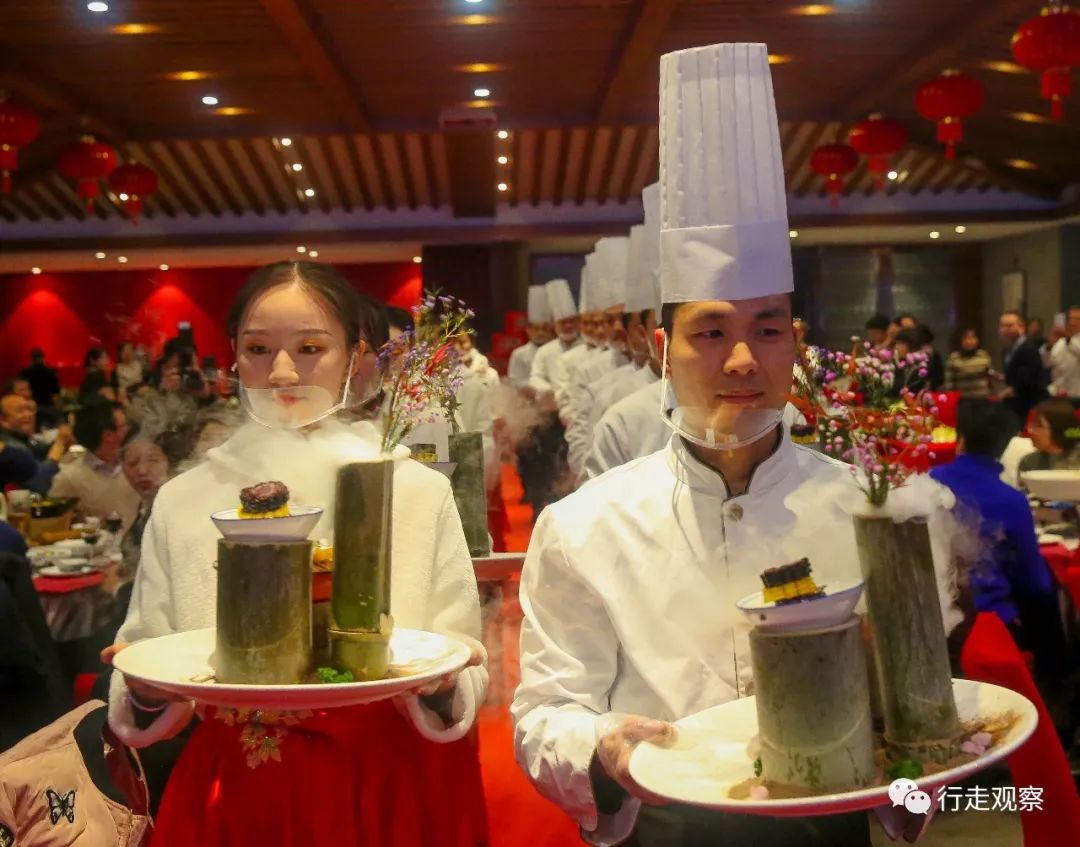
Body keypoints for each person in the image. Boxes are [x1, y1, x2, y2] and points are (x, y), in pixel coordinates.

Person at [513, 43, 960, 846]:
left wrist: (916, 778)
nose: (745, 358)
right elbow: (545, 714)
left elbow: (924, 716)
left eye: (768, 329)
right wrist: (601, 745)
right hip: (671, 830)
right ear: (661, 347)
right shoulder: (584, 526)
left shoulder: (871, 507)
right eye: (712, 331)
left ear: (797, 342)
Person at [103, 260, 488, 846]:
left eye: (310, 348)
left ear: (355, 358)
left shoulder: (412, 490)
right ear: (232, 356)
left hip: (383, 780)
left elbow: (460, 653)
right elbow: (151, 647)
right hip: (235, 789)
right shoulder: (185, 500)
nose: (282, 371)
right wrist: (144, 690)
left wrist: (444, 687)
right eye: (258, 348)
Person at [930, 400, 1064, 687]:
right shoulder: (1010, 501)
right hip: (988, 626)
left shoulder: (929, 483)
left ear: (961, 439)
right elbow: (1033, 583)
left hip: (933, 619)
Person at [49, 400, 140, 531]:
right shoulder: (70, 478)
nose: (130, 430)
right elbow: (52, 526)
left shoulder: (138, 467)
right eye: (124, 426)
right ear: (108, 436)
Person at [0, 394, 72, 494]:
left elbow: (39, 450)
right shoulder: (8, 447)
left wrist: (63, 439)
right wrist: (59, 444)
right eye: (20, 411)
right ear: (4, 421)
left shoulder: (21, 438)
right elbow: (40, 482)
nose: (28, 415)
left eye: (30, 409)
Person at [998, 310, 1049, 422]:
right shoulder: (1006, 351)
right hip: (1015, 406)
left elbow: (1027, 378)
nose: (1004, 330)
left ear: (1021, 327)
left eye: (1009, 326)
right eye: (1002, 326)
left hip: (1031, 404)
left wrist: (1007, 391)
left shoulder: (1029, 348)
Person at [507, 285, 555, 387]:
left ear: (552, 329)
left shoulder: (559, 351)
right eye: (536, 329)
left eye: (544, 328)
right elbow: (515, 383)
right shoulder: (519, 354)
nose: (540, 333)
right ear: (528, 330)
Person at [1017, 398, 1080, 475]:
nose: (1031, 431)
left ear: (1058, 428)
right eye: (1032, 425)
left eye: (1039, 426)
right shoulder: (1029, 463)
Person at [945, 328, 992, 398]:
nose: (969, 341)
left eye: (973, 337)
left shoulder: (984, 356)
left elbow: (990, 378)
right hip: (962, 400)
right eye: (966, 338)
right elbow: (949, 384)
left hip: (982, 398)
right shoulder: (953, 358)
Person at [1045, 305, 1080, 398]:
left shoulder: (1069, 340)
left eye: (1077, 319)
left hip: (1077, 393)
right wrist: (1049, 345)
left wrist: (1069, 338)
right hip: (1059, 393)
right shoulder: (1061, 342)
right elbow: (1047, 363)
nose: (1073, 322)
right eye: (1071, 318)